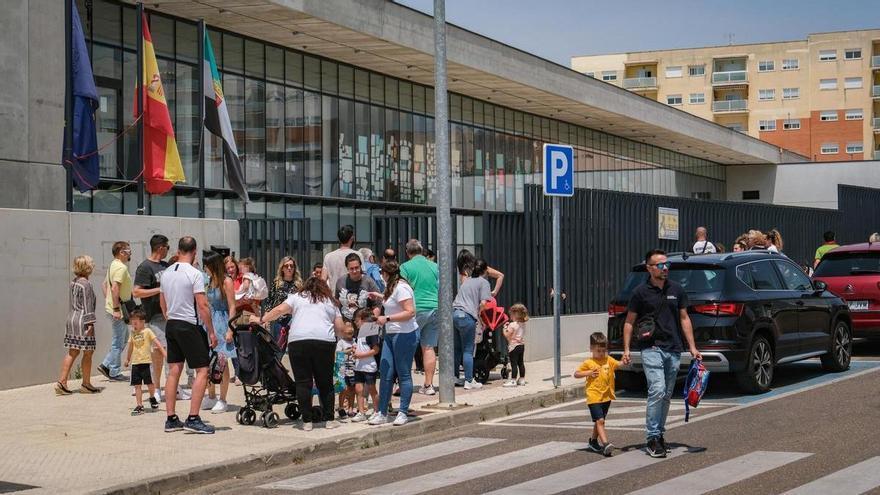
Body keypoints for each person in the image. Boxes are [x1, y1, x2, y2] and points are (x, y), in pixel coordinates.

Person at [622, 249, 701, 458]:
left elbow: (684, 319)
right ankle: (652, 437)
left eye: (666, 265)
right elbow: (629, 322)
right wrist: (627, 349)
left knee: (666, 395)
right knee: (656, 390)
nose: (665, 268)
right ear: (649, 268)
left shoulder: (677, 289)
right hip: (651, 348)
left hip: (674, 348)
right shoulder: (640, 292)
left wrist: (692, 347)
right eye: (660, 265)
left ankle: (660, 434)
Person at [257, 277, 345, 431]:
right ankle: (329, 420)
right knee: (325, 382)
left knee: (303, 382)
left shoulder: (297, 297)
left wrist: (262, 319)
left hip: (298, 341)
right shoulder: (330, 301)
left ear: (305, 287)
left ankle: (306, 422)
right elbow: (340, 328)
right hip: (324, 341)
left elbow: (278, 310)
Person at [160, 236, 218, 434]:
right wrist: (211, 331)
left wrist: (170, 318)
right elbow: (202, 305)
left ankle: (171, 418)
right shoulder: (195, 274)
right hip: (188, 324)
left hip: (172, 324)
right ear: (194, 252)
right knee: (202, 370)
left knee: (174, 369)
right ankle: (193, 418)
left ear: (178, 250)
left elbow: (162, 302)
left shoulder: (166, 273)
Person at [367, 260, 418, 426]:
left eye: (382, 273)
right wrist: (378, 295)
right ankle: (382, 412)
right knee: (386, 371)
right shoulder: (392, 287)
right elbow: (393, 301)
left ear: (386, 274)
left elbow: (410, 312)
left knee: (403, 373)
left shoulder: (402, 287)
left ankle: (403, 411)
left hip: (404, 334)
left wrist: (387, 318)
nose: (381, 276)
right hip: (391, 333)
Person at [132, 234, 171, 396]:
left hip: (168, 314)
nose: (168, 251)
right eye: (167, 247)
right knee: (158, 352)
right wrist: (159, 290)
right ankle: (155, 388)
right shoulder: (145, 267)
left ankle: (171, 387)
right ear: (160, 247)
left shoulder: (165, 265)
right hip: (154, 315)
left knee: (170, 351)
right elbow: (136, 292)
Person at [400, 239, 440, 396]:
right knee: (429, 347)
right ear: (422, 251)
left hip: (415, 309)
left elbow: (401, 289)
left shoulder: (405, 267)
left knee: (406, 347)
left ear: (408, 252)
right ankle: (429, 385)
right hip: (434, 308)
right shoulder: (434, 266)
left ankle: (404, 384)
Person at [57, 255, 100, 396]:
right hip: (83, 321)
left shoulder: (73, 282)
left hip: (72, 319)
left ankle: (62, 382)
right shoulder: (86, 284)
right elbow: (88, 306)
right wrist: (90, 324)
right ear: (87, 267)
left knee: (72, 351)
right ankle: (86, 384)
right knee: (88, 352)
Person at [201, 251, 236, 414]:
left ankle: (223, 399)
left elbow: (232, 306)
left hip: (222, 323)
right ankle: (212, 395)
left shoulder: (226, 281)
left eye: (206, 266)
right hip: (209, 323)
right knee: (208, 361)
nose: (205, 269)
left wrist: (230, 328)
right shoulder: (209, 281)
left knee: (222, 361)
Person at [574, 332, 620, 457]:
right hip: (593, 396)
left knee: (600, 421)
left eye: (603, 350)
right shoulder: (589, 362)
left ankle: (593, 441)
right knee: (600, 420)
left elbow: (619, 364)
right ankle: (606, 444)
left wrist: (625, 361)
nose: (601, 353)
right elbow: (576, 374)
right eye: (598, 350)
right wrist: (588, 373)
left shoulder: (608, 360)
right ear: (591, 349)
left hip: (606, 396)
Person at [452, 259, 493, 389]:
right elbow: (484, 304)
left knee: (457, 349)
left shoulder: (467, 281)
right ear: (485, 271)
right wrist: (479, 314)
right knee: (468, 350)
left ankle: (455, 377)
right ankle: (469, 380)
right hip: (467, 316)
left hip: (454, 314)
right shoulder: (484, 282)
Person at [97, 241, 133, 382]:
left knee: (123, 338)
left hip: (115, 308)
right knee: (119, 340)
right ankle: (112, 370)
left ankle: (107, 365)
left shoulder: (113, 265)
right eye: (128, 250)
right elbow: (114, 288)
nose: (130, 252)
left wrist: (109, 302)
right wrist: (116, 308)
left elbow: (104, 285)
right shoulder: (120, 268)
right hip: (118, 310)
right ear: (121, 252)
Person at [124, 309, 165, 415]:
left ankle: (152, 397)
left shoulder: (148, 331)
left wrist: (164, 353)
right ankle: (139, 405)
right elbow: (130, 347)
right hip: (135, 363)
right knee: (137, 385)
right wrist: (127, 359)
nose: (133, 323)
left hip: (146, 362)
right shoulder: (132, 333)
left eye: (136, 321)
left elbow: (157, 342)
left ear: (142, 321)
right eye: (132, 321)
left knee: (150, 384)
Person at [262, 256, 303, 351]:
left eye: (291, 266)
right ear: (282, 268)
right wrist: (266, 318)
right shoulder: (277, 283)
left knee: (295, 349)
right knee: (278, 348)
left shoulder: (299, 284)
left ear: (294, 268)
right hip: (279, 321)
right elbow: (269, 301)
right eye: (286, 266)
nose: (289, 268)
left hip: (294, 321)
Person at [351, 308, 380, 423]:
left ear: (363, 320)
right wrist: (355, 349)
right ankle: (361, 412)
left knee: (372, 389)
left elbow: (375, 350)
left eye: (356, 320)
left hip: (368, 365)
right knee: (359, 389)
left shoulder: (371, 332)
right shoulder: (359, 333)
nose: (355, 323)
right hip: (359, 366)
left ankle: (377, 411)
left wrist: (361, 355)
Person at [335, 253, 380, 322]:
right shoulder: (340, 282)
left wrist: (372, 321)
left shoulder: (368, 282)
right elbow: (337, 303)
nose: (354, 271)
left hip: (364, 323)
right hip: (346, 324)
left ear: (360, 266)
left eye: (357, 268)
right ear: (347, 268)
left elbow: (377, 304)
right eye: (351, 269)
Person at [502, 303, 529, 387]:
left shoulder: (512, 325)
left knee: (514, 364)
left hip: (513, 346)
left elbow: (507, 335)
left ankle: (513, 380)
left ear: (515, 314)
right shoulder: (523, 324)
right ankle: (522, 379)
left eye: (511, 314)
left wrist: (504, 328)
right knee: (521, 363)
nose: (510, 316)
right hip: (521, 345)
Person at [335, 322, 357, 419]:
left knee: (352, 389)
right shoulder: (341, 342)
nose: (350, 329)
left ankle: (351, 408)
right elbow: (338, 353)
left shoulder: (355, 341)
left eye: (351, 327)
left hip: (353, 369)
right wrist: (348, 351)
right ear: (342, 332)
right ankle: (341, 407)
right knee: (343, 390)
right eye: (347, 328)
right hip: (343, 369)